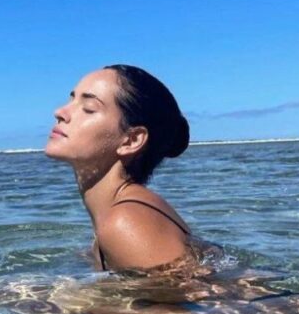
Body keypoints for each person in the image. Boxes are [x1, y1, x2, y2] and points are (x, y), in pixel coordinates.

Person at [45, 64, 191, 272]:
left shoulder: (125, 222)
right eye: (71, 100)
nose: (60, 112)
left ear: (131, 141)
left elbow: (189, 293)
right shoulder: (122, 216)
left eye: (88, 108)